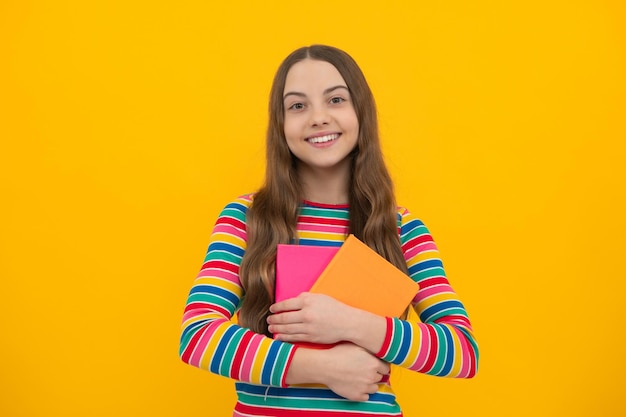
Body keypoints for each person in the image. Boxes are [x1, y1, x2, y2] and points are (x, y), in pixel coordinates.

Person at [179, 44, 479, 416]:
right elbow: (197, 336)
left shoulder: (402, 229)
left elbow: (461, 352)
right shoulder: (246, 218)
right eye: (298, 105)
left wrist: (350, 323)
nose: (318, 117)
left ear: (361, 112)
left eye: (336, 99)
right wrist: (320, 366)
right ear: (281, 125)